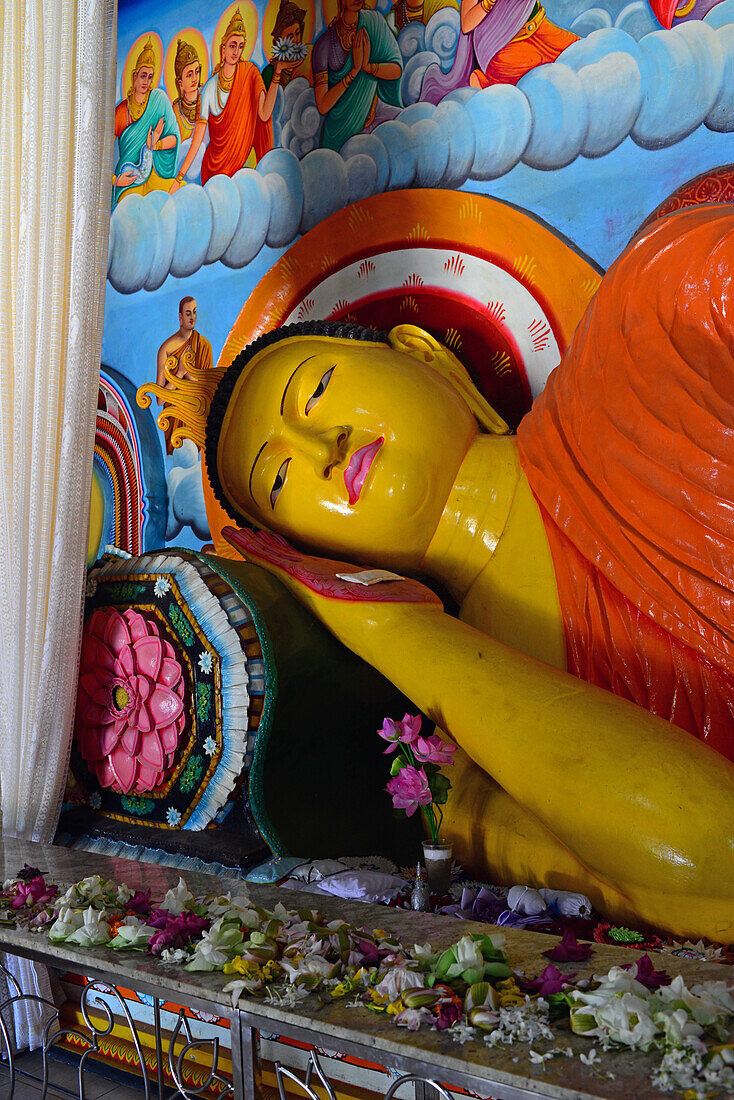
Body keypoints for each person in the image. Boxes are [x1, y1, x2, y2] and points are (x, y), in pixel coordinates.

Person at [137, 206, 734, 942]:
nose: (325, 446)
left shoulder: (656, 326)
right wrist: (391, 630)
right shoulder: (457, 779)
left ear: (427, 356)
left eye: (318, 391)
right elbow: (714, 863)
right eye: (282, 479)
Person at [187, 8, 290, 185]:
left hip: (244, 162)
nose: (236, 51)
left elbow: (264, 114)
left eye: (240, 46)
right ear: (223, 48)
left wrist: (277, 74)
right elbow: (197, 138)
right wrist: (180, 176)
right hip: (214, 169)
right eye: (232, 45)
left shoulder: (249, 73)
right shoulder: (211, 87)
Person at [421, 0, 577, 103]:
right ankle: (483, 81)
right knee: (530, 80)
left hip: (540, 28)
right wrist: (487, 3)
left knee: (577, 50)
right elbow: (467, 24)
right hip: (506, 46)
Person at [312, 0, 403, 152]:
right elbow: (322, 105)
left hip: (373, 117)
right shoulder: (325, 44)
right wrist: (353, 72)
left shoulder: (374, 23)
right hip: (340, 129)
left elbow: (396, 70)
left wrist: (368, 67)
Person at [113, 38, 179, 206]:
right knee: (133, 209)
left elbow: (174, 139)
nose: (146, 81)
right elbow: (99, 155)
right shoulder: (121, 111)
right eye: (143, 76)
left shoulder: (158, 101)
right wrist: (115, 180)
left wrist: (156, 144)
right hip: (128, 180)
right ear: (134, 76)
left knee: (181, 194)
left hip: (154, 175)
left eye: (150, 77)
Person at [155, 297, 213, 454]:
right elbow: (160, 399)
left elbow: (206, 391)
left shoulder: (203, 345)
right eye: (188, 313)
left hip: (196, 417)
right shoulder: (166, 349)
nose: (192, 317)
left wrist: (188, 373)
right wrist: (179, 372)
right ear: (180, 317)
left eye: (194, 312)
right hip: (175, 419)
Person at [262, 1, 308, 91]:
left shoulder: (305, 65)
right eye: (290, 37)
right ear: (278, 42)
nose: (296, 40)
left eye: (298, 33)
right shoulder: (270, 72)